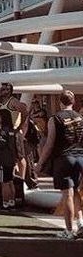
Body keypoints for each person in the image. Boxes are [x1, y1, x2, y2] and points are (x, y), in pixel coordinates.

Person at [36, 90, 83, 239]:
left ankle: (69, 231)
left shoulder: (55, 119)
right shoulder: (80, 118)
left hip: (64, 158)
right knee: (75, 190)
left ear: (60, 102)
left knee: (67, 193)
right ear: (73, 102)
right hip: (80, 157)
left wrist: (40, 162)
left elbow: (49, 144)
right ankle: (81, 223)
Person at [0, 108, 21, 211]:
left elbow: (1, 144)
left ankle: (4, 204)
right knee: (10, 181)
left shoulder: (4, 130)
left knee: (4, 182)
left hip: (2, 159)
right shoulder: (12, 130)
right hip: (10, 159)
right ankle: (12, 203)